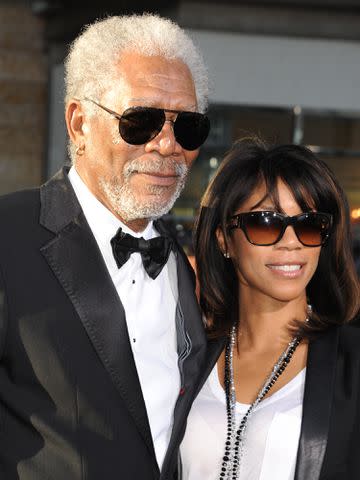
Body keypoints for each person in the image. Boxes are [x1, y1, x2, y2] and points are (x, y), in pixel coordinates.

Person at [0, 13, 211, 480]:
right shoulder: (8, 237)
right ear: (79, 123)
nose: (167, 145)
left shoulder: (182, 264)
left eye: (188, 126)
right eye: (141, 121)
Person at [181, 139, 360, 480]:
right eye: (265, 222)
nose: (291, 241)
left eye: (309, 225)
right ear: (224, 239)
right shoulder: (187, 357)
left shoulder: (352, 364)